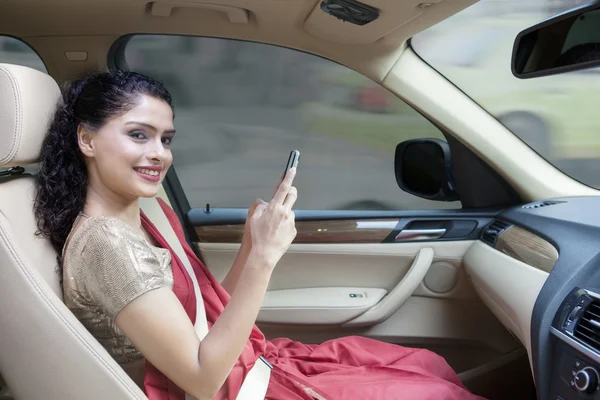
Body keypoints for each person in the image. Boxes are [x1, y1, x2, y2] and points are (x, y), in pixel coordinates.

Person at [34, 70, 486, 400]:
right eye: (139, 135)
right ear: (86, 140)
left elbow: (205, 320)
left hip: (235, 369)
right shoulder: (108, 247)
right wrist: (265, 258)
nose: (159, 154)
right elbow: (200, 376)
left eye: (166, 139)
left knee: (420, 366)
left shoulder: (141, 213)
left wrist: (251, 245)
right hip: (215, 388)